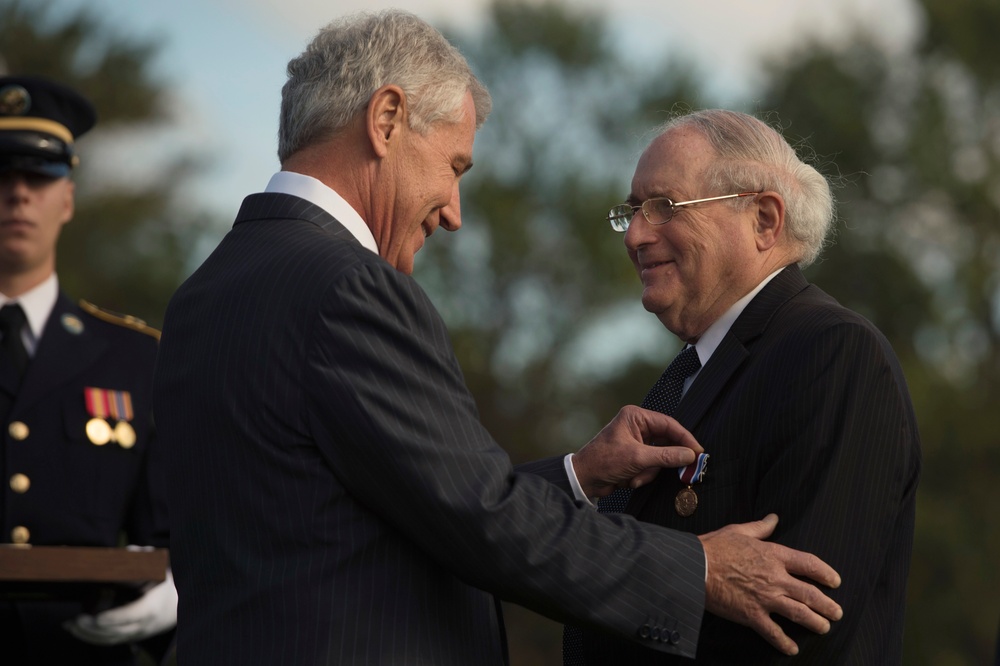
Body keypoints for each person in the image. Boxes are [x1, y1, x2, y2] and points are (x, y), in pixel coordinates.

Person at [152, 11, 844, 665]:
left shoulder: (204, 294)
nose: (453, 213)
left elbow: (373, 509)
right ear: (386, 120)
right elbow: (480, 520)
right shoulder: (346, 290)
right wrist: (698, 569)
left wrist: (576, 476)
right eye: (454, 167)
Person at [564, 109, 921, 664]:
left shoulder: (831, 353)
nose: (635, 234)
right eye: (632, 211)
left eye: (663, 207)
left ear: (763, 220)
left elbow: (798, 626)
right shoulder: (692, 374)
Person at [0, 75, 177, 665]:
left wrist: (175, 591)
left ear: (68, 197)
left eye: (39, 176)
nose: (19, 194)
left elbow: (168, 532)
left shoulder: (133, 357)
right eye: (3, 174)